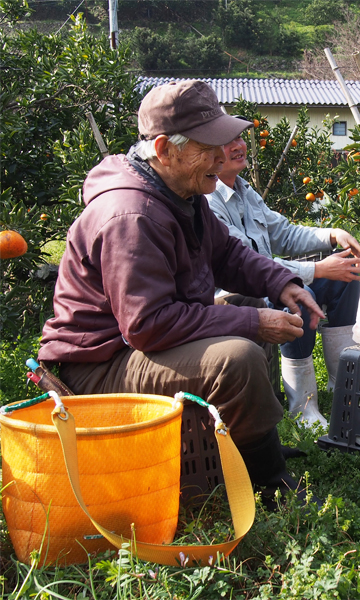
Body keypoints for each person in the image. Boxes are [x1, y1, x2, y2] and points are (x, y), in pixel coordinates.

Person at [38, 80, 326, 500]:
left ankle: (244, 443)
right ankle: (268, 481)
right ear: (164, 149)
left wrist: (280, 282)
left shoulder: (179, 193)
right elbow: (148, 325)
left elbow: (226, 254)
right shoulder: (131, 216)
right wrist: (253, 321)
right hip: (100, 367)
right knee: (237, 357)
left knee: (249, 304)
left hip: (133, 346)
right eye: (206, 146)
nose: (220, 155)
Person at [207, 134, 360, 429]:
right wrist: (317, 270)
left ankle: (340, 383)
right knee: (298, 294)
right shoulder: (208, 201)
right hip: (234, 292)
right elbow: (246, 262)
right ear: (209, 150)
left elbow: (284, 234)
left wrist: (332, 234)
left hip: (269, 279)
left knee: (345, 279)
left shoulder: (244, 191)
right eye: (227, 141)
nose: (239, 146)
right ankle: (302, 405)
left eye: (240, 138)